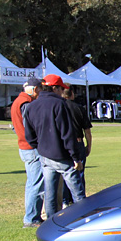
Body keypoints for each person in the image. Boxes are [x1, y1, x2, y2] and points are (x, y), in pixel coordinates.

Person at [23, 74, 85, 220]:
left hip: (45, 156)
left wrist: (39, 147)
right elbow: (67, 133)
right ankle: (85, 220)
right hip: (63, 156)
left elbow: (29, 135)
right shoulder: (60, 104)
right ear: (54, 88)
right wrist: (75, 157)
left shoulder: (32, 106)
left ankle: (51, 223)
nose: (62, 92)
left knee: (50, 194)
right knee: (78, 194)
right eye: (60, 88)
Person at [12, 76, 44, 227]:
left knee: (33, 182)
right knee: (36, 183)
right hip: (30, 147)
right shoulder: (26, 103)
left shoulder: (19, 101)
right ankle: (31, 218)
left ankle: (32, 216)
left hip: (25, 146)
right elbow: (29, 126)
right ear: (35, 89)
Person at [61, 85, 93, 200]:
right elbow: (87, 131)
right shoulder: (79, 108)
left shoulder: (59, 107)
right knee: (79, 174)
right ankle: (80, 200)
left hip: (63, 143)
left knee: (65, 172)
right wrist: (89, 145)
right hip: (77, 142)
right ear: (72, 94)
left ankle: (65, 200)